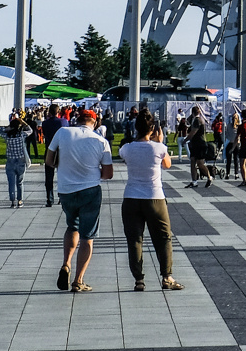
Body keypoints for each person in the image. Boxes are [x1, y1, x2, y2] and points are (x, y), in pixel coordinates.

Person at [47, 107, 114, 293]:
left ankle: (66, 264)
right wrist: (91, 171)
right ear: (95, 122)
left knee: (72, 226)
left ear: (78, 119)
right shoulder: (101, 141)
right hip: (90, 190)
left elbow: (49, 160)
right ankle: (78, 280)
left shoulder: (63, 132)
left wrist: (65, 167)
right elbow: (108, 174)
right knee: (88, 236)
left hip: (66, 190)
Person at [120, 113, 183, 292]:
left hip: (131, 197)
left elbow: (125, 156)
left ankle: (139, 279)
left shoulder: (127, 148)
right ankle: (166, 277)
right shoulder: (159, 148)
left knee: (135, 240)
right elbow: (167, 165)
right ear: (153, 129)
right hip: (155, 197)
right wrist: (160, 141)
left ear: (135, 128)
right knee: (163, 238)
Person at [3, 115, 31, 208]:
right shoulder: (22, 135)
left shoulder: (7, 136)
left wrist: (8, 128)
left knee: (11, 182)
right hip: (20, 160)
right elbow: (30, 130)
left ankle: (12, 201)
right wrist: (23, 122)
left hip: (10, 160)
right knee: (20, 182)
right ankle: (20, 200)